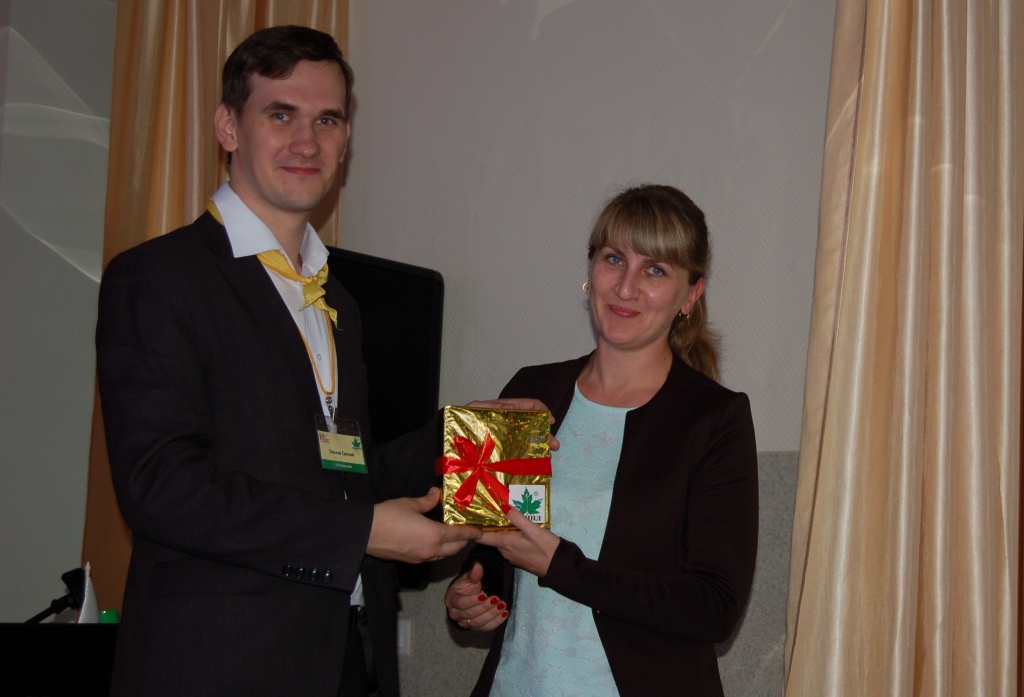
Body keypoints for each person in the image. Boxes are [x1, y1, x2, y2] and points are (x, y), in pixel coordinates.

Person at [96, 26, 484, 697]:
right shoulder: (159, 277)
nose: (307, 142)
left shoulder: (337, 300)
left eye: (326, 120)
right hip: (219, 667)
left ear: (346, 139)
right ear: (228, 127)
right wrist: (362, 531)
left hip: (344, 660)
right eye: (281, 115)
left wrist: (469, 433)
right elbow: (161, 485)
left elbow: (345, 472)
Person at [444, 184, 759, 696]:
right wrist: (474, 594)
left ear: (691, 295)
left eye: (655, 270)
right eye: (614, 260)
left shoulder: (714, 418)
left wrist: (562, 567)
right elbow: (494, 548)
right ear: (591, 270)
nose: (626, 287)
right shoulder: (530, 388)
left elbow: (714, 608)